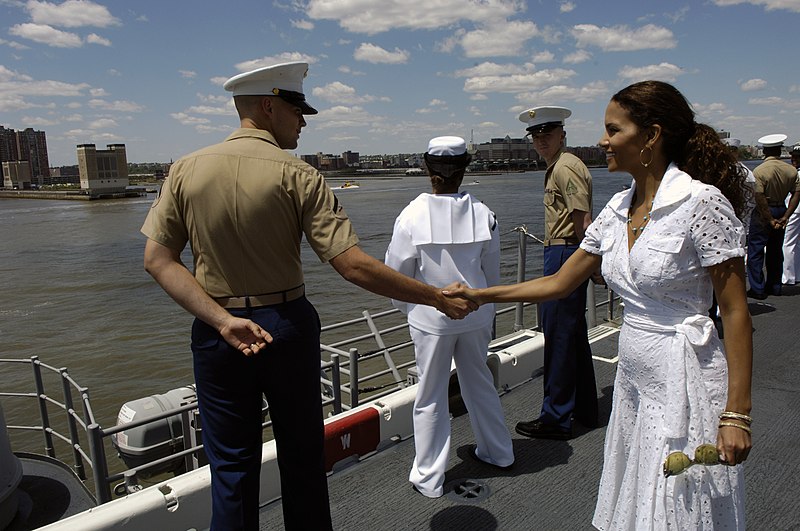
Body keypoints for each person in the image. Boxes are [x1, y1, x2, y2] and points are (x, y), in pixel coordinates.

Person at [140, 61, 475, 531]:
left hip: (218, 334)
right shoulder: (299, 175)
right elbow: (352, 265)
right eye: (297, 111)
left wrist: (220, 320)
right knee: (301, 459)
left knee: (231, 469)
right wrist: (435, 296)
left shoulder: (185, 170)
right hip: (285, 327)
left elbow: (158, 260)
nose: (303, 121)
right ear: (267, 106)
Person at [446, 80, 753, 529]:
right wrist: (478, 295)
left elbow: (736, 312)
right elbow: (558, 283)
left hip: (685, 380)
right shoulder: (615, 211)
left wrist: (736, 414)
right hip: (633, 379)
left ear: (650, 136)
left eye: (613, 130)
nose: (603, 141)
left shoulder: (700, 203)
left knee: (680, 504)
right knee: (638, 500)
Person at [384, 136, 514, 498]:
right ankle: (499, 452)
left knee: (430, 395)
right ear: (464, 169)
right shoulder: (485, 214)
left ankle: (428, 477)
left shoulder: (410, 216)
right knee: (480, 386)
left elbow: (397, 275)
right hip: (475, 315)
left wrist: (413, 311)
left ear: (428, 169)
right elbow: (492, 275)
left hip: (430, 320)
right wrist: (483, 310)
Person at [514, 105, 598, 440]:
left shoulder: (565, 167)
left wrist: (589, 262)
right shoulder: (561, 165)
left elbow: (583, 219)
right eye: (535, 135)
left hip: (564, 251)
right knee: (572, 334)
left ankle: (556, 417)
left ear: (562, 134)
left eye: (547, 134)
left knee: (559, 336)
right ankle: (586, 409)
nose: (540, 141)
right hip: (564, 249)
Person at [745, 133, 800, 299]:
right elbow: (796, 193)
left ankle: (758, 288)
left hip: (764, 212)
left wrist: (768, 218)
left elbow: (759, 196)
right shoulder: (791, 170)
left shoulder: (760, 170)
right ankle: (775, 285)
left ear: (765, 151)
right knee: (776, 250)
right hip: (781, 208)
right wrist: (786, 216)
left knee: (756, 251)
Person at [781, 145, 800, 285]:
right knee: (797, 244)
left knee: (787, 243)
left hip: (795, 211)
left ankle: (788, 276)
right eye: (793, 156)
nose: (793, 159)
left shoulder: (795, 174)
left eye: (797, 157)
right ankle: (796, 274)